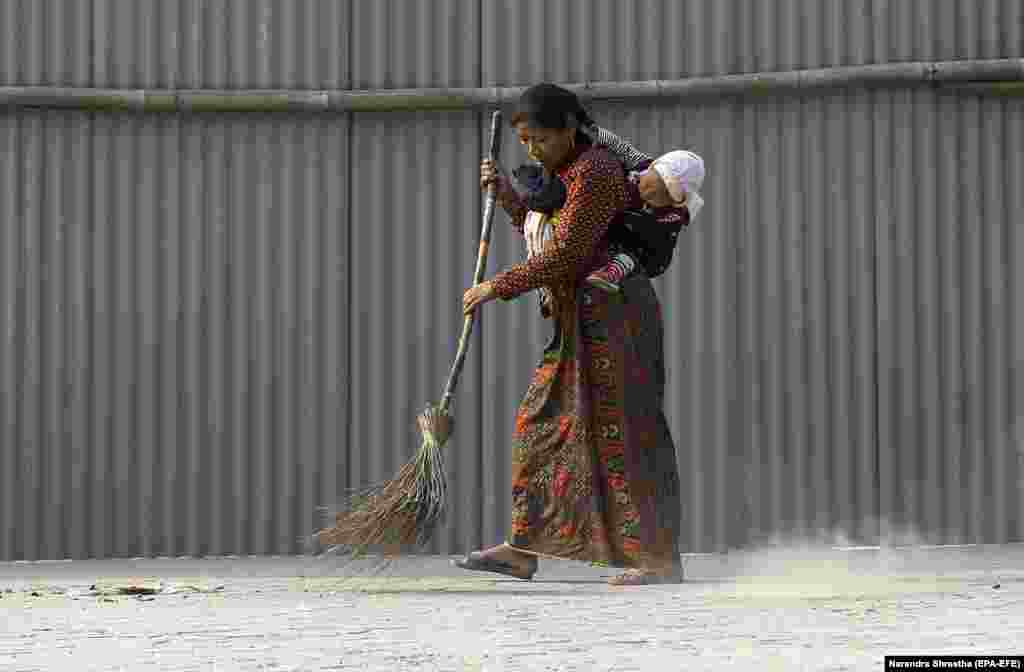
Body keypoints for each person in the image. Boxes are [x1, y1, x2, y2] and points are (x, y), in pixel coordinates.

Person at [458, 83, 684, 586]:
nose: (533, 151)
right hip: (574, 319)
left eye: (540, 139)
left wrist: (497, 286)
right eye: (525, 144)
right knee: (538, 426)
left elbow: (569, 255)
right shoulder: (564, 175)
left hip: (615, 315)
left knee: (624, 433)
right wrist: (507, 199)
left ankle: (657, 559)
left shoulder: (598, 170)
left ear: (568, 129)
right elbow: (547, 235)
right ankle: (523, 547)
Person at [510, 128, 706, 295]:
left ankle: (612, 273)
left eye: (666, 194)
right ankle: (540, 187)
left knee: (635, 253)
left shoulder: (671, 217)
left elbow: (656, 257)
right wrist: (591, 129)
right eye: (656, 183)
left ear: (677, 200)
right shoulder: (638, 165)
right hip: (608, 212)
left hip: (635, 243)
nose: (654, 193)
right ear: (653, 167)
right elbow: (619, 145)